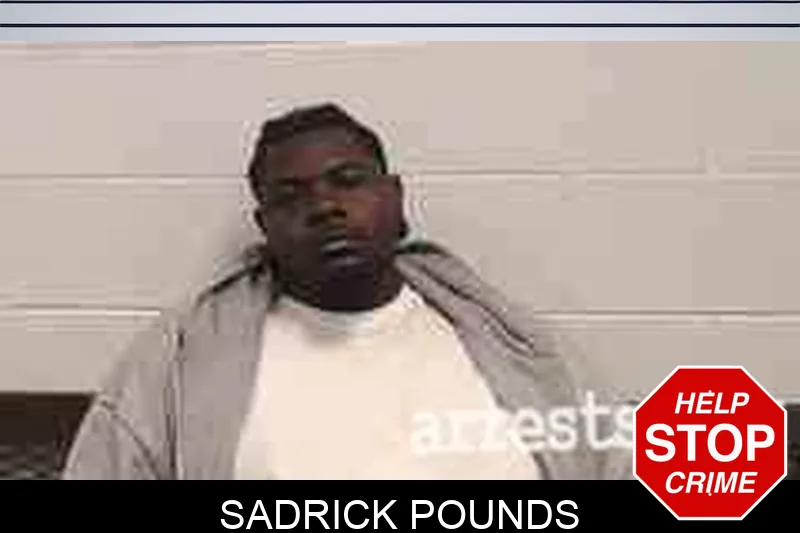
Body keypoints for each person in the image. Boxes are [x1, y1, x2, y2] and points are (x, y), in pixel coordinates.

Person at [62, 103, 632, 480]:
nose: (325, 207)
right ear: (265, 227)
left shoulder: (509, 342)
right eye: (291, 196)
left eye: (348, 181)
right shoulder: (181, 362)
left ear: (397, 199)